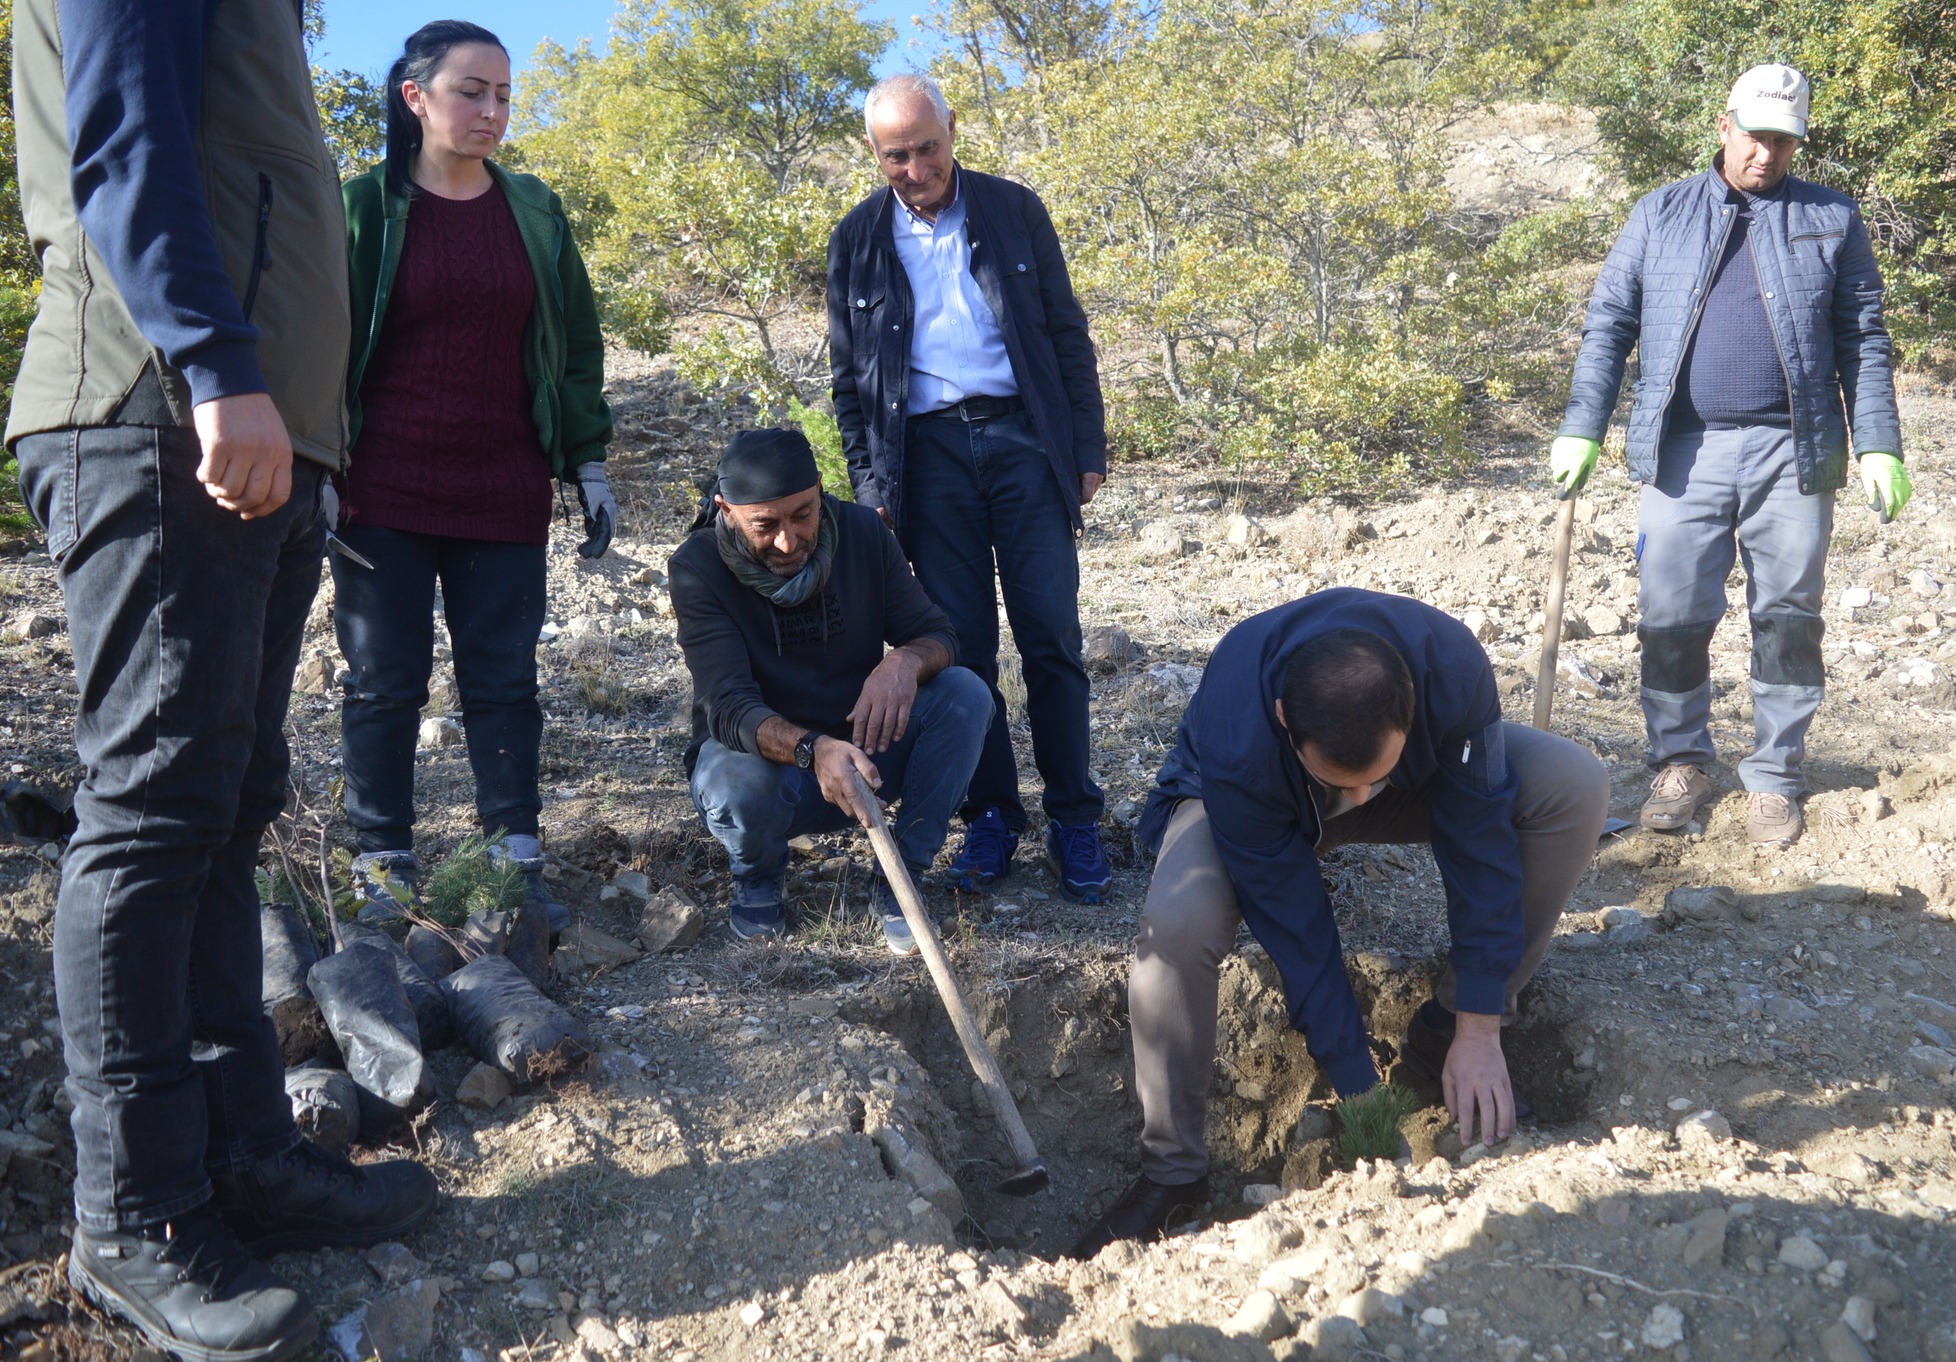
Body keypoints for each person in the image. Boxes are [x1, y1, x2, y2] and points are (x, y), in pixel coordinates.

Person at [7, 1, 436, 1356]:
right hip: (156, 407)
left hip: (254, 432)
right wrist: (215, 359)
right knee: (149, 813)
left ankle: (238, 1149)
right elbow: (125, 137)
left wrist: (309, 429)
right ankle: (133, 1211)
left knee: (228, 799)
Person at [1073, 591, 1609, 1258]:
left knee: (1574, 783)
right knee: (1175, 931)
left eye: (1369, 777)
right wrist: (1358, 1088)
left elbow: (1481, 844)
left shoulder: (1451, 666)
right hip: (1251, 806)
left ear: (1410, 714)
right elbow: (1296, 923)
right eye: (1340, 779)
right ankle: (1172, 1172)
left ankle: (1442, 1040)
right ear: (1282, 717)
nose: (1355, 800)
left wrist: (1480, 1019)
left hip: (1405, 787)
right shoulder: (1242, 720)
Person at [1549, 64, 1907, 847]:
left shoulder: (1833, 217)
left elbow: (1863, 341)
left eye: (1784, 140)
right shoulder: (1661, 214)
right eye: (1755, 135)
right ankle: (1679, 762)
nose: (1767, 155)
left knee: (1788, 620)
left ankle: (1776, 777)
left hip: (1794, 448)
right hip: (1687, 449)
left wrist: (1878, 443)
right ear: (1724, 126)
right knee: (1671, 618)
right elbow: (1609, 322)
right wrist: (1584, 423)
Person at [334, 22, 618, 932]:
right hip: (381, 486)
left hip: (504, 482)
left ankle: (512, 854)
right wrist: (313, 462)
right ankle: (382, 860)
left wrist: (589, 462)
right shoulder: (361, 209)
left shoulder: (534, 209)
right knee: (385, 678)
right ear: (415, 97)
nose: (492, 110)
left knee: (503, 677)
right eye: (471, 91)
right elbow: (318, 349)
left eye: (503, 94)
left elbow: (574, 346)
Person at [826, 73, 1112, 905]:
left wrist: (1084, 447)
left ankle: (1075, 819)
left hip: (1025, 438)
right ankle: (992, 820)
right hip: (926, 458)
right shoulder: (856, 240)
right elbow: (850, 380)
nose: (914, 167)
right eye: (895, 156)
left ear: (952, 130)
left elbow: (1067, 334)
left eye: (926, 147)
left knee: (1052, 638)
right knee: (963, 650)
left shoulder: (1013, 209)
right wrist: (871, 483)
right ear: (873, 155)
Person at [671, 429, 993, 953]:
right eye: (765, 525)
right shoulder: (697, 568)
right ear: (725, 510)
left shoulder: (864, 533)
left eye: (802, 514)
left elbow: (941, 636)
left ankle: (900, 875)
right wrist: (813, 749)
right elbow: (727, 708)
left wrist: (905, 661)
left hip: (866, 760)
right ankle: (758, 875)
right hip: (775, 777)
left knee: (964, 694)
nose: (788, 541)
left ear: (821, 490)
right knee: (733, 770)